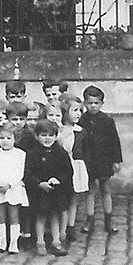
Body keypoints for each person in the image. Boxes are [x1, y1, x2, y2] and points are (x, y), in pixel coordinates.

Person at [24, 119, 73, 256]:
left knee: (54, 216)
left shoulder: (60, 152)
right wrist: (39, 183)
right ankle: (40, 242)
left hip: (56, 191)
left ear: (56, 136)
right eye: (43, 135)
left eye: (51, 135)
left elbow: (67, 171)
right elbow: (29, 173)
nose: (47, 138)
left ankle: (56, 241)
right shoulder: (33, 153)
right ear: (37, 136)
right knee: (40, 216)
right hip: (40, 191)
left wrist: (58, 180)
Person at [79, 86, 123, 234]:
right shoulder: (81, 120)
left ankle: (108, 220)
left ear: (102, 103)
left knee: (105, 190)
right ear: (85, 103)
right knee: (90, 190)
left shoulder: (107, 121)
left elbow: (114, 141)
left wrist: (116, 160)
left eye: (96, 103)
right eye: (90, 103)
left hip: (104, 160)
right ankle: (89, 220)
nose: (93, 106)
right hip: (88, 161)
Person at [0, 123, 29, 254]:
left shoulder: (20, 154)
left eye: (9, 138)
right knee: (0, 215)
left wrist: (10, 184)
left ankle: (14, 242)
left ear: (15, 139)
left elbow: (20, 171)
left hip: (13, 189)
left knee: (14, 216)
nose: (5, 141)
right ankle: (2, 241)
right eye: (2, 138)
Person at [58, 95, 90, 244]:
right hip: (63, 167)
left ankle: (71, 226)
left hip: (77, 166)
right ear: (65, 112)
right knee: (62, 198)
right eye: (75, 110)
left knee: (74, 199)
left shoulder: (81, 131)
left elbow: (84, 151)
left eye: (80, 110)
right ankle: (59, 227)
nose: (78, 114)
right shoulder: (59, 131)